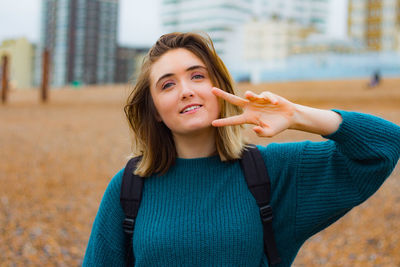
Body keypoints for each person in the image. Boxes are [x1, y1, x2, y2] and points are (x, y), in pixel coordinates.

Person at [83, 32, 400, 266]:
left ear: (219, 90)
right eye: (167, 84)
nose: (187, 91)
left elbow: (383, 147)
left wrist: (297, 116)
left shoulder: (268, 172)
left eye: (197, 76)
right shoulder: (128, 187)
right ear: (153, 109)